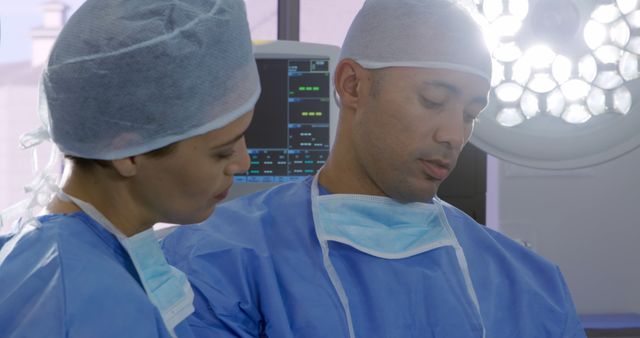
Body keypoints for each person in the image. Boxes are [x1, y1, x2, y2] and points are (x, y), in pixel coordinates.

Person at [162, 0, 586, 337]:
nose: (454, 135)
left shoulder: (529, 285)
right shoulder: (215, 262)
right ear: (352, 85)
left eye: (471, 113)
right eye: (433, 100)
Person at [0, 0, 260, 337]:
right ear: (127, 154)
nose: (244, 163)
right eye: (222, 152)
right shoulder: (89, 304)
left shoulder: (43, 252)